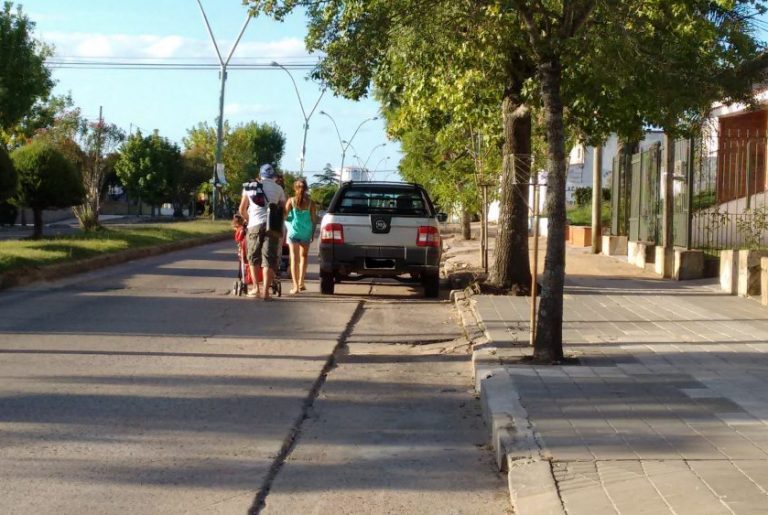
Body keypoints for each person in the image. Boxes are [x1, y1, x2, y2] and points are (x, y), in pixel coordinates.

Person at [238, 164, 286, 300]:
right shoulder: (279, 189)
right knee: (269, 259)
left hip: (254, 224)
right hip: (272, 227)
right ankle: (266, 292)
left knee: (253, 258)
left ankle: (256, 289)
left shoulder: (250, 187)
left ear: (260, 174)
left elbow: (242, 209)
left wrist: (250, 219)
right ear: (273, 175)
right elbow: (284, 211)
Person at [284, 177, 316, 294]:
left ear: (295, 188)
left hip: (293, 232)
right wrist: (312, 234)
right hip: (306, 233)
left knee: (294, 259)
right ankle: (302, 282)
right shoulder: (311, 203)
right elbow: (314, 220)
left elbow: (284, 216)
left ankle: (295, 286)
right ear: (306, 188)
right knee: (304, 257)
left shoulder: (291, 201)